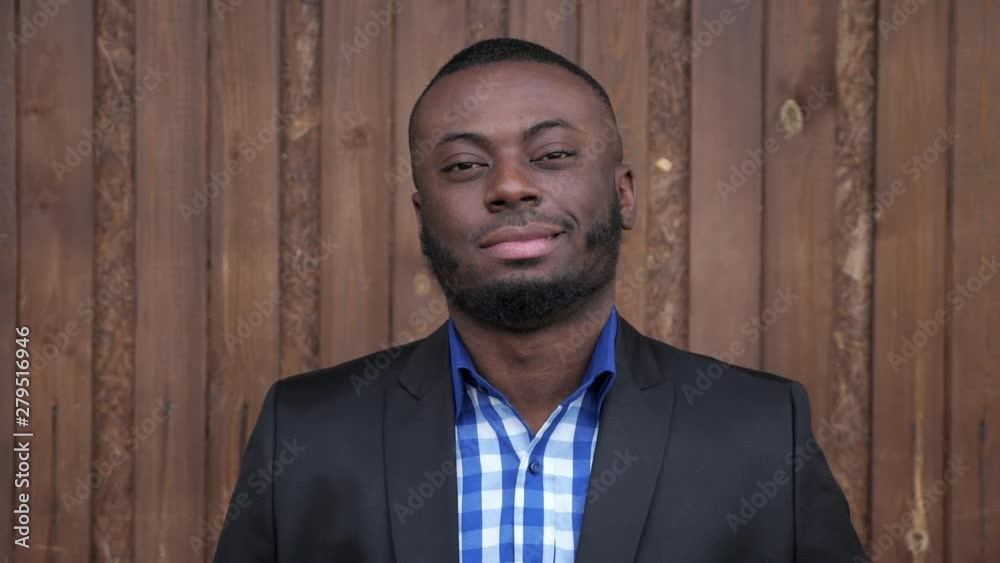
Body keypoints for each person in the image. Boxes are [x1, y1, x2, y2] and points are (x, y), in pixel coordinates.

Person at [212, 37, 866, 563]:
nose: (511, 186)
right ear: (422, 216)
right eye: (466, 165)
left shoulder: (760, 432)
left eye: (552, 154)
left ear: (625, 194)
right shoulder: (304, 435)